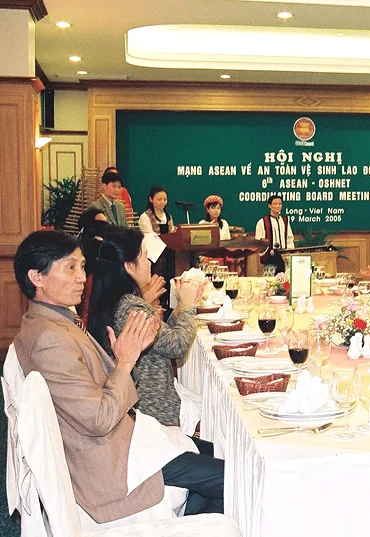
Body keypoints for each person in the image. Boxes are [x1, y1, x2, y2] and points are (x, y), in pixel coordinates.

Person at [12, 230, 224, 523]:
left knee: (220, 455)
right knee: (232, 477)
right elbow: (99, 419)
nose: (81, 277)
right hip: (110, 460)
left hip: (124, 439)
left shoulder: (49, 321)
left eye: (82, 266)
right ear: (36, 277)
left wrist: (120, 360)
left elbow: (87, 390)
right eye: (70, 267)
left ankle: (192, 516)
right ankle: (192, 523)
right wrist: (125, 361)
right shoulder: (50, 340)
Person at [86, 227, 202, 428]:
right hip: (153, 416)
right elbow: (177, 346)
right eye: (145, 256)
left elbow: (163, 341)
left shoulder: (114, 300)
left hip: (141, 411)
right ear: (129, 266)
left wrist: (180, 308)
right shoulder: (131, 307)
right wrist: (189, 306)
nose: (150, 263)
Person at [138, 185, 176, 313]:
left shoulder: (168, 216)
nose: (162, 202)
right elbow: (149, 236)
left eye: (164, 199)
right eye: (159, 199)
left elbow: (172, 232)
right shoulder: (145, 217)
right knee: (157, 280)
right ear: (151, 199)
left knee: (169, 280)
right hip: (154, 256)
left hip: (168, 253)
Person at [255, 194, 294, 273]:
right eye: (275, 204)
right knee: (271, 280)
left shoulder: (285, 221)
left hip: (284, 257)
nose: (278, 206)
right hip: (270, 258)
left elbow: (289, 238)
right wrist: (268, 251)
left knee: (285, 279)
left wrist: (289, 251)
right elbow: (259, 242)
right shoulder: (263, 222)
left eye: (280, 204)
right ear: (269, 205)